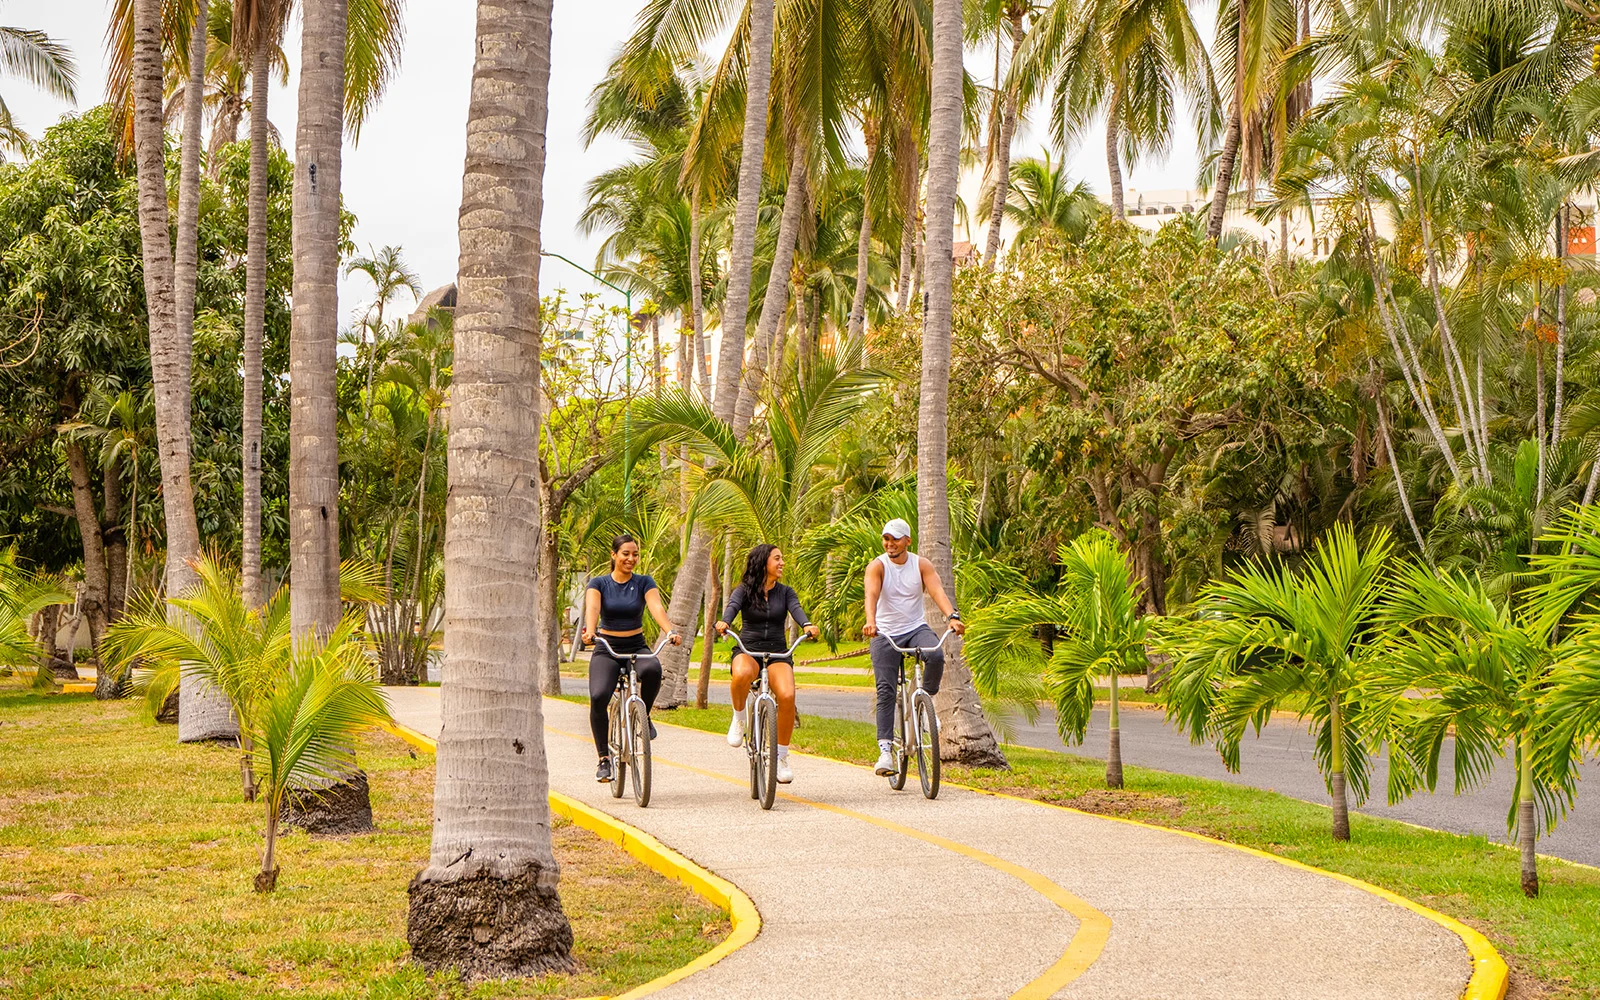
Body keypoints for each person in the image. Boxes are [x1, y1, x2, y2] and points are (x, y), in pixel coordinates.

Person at [862, 518, 964, 775]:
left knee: (936, 655)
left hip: (915, 628)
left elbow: (938, 592)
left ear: (908, 540)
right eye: (886, 538)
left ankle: (924, 701)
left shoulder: (921, 564)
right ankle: (885, 752)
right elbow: (871, 595)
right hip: (885, 633)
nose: (890, 544)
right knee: (885, 691)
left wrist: (952, 617)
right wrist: (871, 623)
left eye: (895, 539)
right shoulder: (877, 566)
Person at [715, 543, 819, 784]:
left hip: (778, 653)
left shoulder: (786, 592)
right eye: (777, 559)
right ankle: (739, 717)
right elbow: (731, 608)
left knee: (787, 695)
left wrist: (806, 625)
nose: (782, 563)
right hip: (748, 648)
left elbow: (797, 610)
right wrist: (725, 622)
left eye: (781, 559)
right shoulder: (743, 590)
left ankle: (781, 757)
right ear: (764, 563)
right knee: (741, 675)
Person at [582, 534, 681, 783]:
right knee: (597, 696)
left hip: (636, 645)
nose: (631, 558)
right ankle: (604, 759)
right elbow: (593, 608)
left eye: (635, 554)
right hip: (607, 647)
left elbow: (656, 607)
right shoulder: (599, 583)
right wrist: (590, 630)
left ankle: (644, 714)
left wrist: (669, 630)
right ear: (614, 555)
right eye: (626, 553)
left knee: (653, 669)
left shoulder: (644, 582)